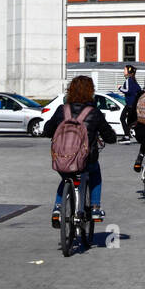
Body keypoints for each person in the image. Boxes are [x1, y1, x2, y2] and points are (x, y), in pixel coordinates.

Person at [44, 74, 117, 225]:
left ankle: (57, 209)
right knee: (95, 173)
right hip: (86, 160)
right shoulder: (94, 112)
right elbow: (109, 137)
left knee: (66, 178)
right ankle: (95, 208)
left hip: (62, 158)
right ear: (91, 92)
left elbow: (47, 131)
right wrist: (111, 137)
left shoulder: (62, 110)